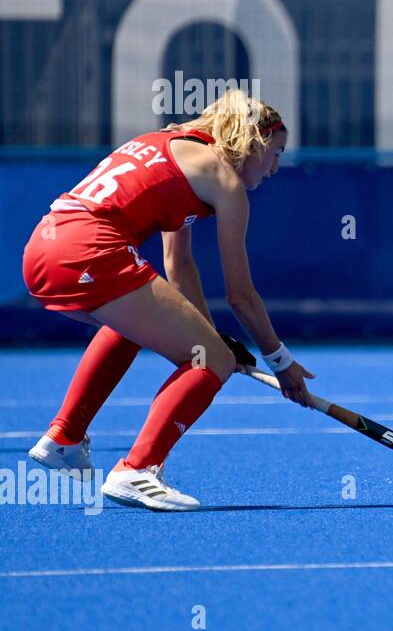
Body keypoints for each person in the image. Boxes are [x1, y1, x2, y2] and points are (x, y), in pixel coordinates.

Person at [22, 90, 314, 511]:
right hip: (90, 250)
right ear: (252, 142)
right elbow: (242, 296)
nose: (275, 167)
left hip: (44, 249)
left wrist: (211, 334)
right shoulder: (226, 182)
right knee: (213, 361)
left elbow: (179, 267)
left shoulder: (170, 147)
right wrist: (279, 361)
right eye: (275, 152)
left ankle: (65, 436)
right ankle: (137, 470)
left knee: (134, 324)